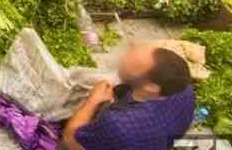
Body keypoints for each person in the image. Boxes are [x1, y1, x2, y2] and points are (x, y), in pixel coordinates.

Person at [60, 44, 195, 150]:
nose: (124, 58)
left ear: (151, 87)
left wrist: (93, 100)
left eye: (134, 63)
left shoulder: (117, 123)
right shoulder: (185, 88)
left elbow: (70, 141)